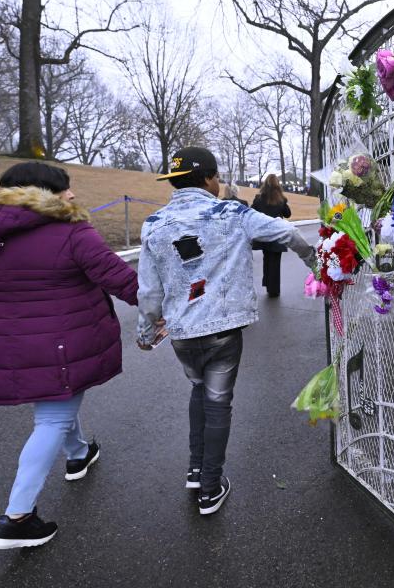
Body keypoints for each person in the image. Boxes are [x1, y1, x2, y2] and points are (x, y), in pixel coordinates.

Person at [0, 162, 143, 549]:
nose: (72, 195)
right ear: (42, 193)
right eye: (65, 189)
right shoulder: (72, 233)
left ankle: (79, 454)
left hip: (7, 347)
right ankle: (17, 516)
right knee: (52, 418)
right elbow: (122, 280)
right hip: (63, 344)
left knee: (56, 403)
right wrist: (164, 311)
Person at [137, 147, 315, 516]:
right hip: (222, 328)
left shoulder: (154, 224)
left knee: (198, 389)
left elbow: (149, 292)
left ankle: (196, 469)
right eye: (216, 177)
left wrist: (145, 331)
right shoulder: (232, 213)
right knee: (218, 402)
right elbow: (284, 232)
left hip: (182, 332)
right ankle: (210, 487)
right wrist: (313, 259)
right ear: (208, 178)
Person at [251, 174, 292, 298]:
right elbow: (288, 214)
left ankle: (268, 285)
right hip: (277, 235)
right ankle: (274, 289)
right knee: (275, 261)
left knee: (267, 259)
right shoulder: (281, 199)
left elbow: (252, 212)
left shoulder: (258, 199)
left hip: (264, 235)